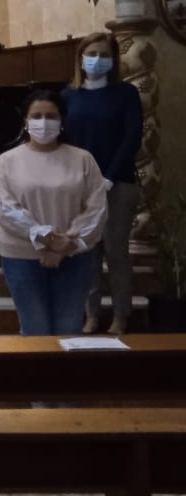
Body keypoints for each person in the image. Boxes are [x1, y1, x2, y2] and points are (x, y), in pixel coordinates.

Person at [0, 90, 109, 336]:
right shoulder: (8, 161)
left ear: (62, 120)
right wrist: (46, 239)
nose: (43, 122)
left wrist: (67, 242)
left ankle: (64, 376)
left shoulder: (83, 159)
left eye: (51, 116)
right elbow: (6, 208)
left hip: (74, 257)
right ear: (26, 121)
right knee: (35, 329)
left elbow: (96, 208)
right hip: (21, 257)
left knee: (69, 328)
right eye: (36, 116)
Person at [62, 31, 143, 334]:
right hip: (79, 186)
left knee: (115, 251)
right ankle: (91, 313)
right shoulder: (69, 96)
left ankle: (122, 314)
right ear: (81, 58)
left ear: (113, 60)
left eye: (104, 55)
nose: (97, 60)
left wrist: (109, 176)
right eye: (91, 54)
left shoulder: (125, 94)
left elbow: (132, 136)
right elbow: (64, 141)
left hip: (117, 183)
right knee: (86, 252)